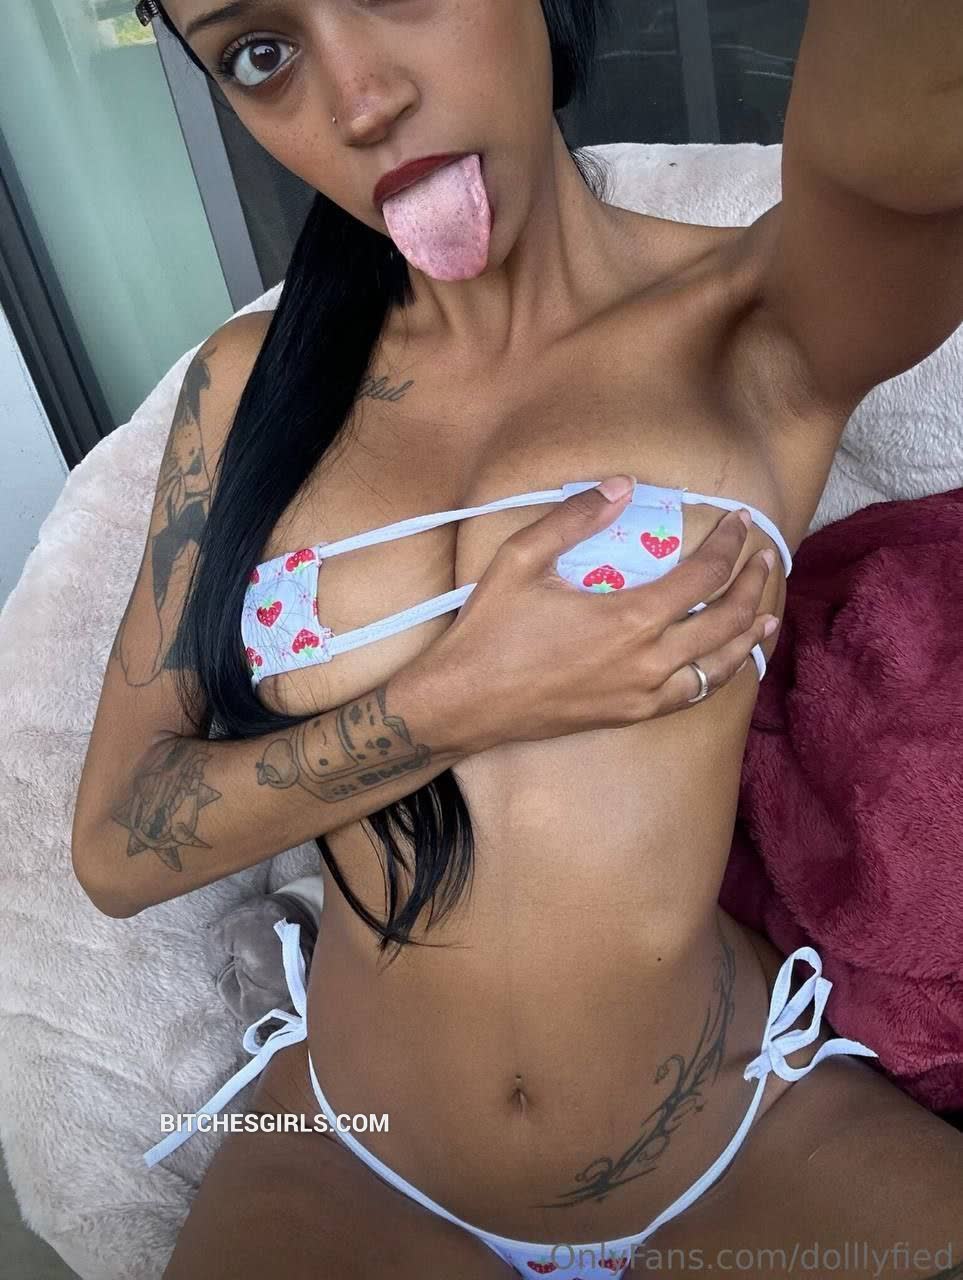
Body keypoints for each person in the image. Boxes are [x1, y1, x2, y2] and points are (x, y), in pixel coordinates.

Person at [72, 0, 963, 1275]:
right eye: (261, 54)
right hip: (348, 1151)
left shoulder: (763, 316)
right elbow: (116, 842)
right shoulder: (246, 389)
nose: (360, 100)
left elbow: (896, 146)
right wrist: (459, 698)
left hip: (745, 1137)